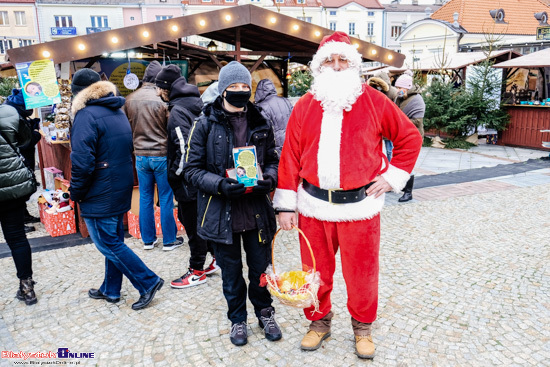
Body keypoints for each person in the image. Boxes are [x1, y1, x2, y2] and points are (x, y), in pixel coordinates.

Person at [273, 32, 422, 359]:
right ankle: (318, 323)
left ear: (353, 64)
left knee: (363, 275)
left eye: (343, 60)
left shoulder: (374, 101)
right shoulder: (305, 105)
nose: (337, 66)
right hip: (312, 208)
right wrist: (286, 206)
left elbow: (409, 138)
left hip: (360, 209)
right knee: (314, 273)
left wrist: (391, 178)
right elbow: (290, 156)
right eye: (330, 60)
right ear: (320, 65)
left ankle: (363, 329)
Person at [182, 61, 282, 346]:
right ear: (222, 89)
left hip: (256, 211)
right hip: (221, 212)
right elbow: (190, 170)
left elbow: (273, 159)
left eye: (244, 87)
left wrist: (270, 180)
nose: (239, 91)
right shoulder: (203, 124)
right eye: (233, 87)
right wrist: (220, 184)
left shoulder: (260, 119)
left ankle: (265, 312)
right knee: (231, 273)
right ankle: (237, 320)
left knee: (260, 269)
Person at [70, 68, 164, 311]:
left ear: (78, 93)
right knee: (112, 239)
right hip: (117, 183)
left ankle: (148, 281)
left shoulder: (85, 115)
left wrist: (76, 193)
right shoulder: (116, 109)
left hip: (100, 189)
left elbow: (81, 162)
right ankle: (111, 289)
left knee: (107, 242)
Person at [155, 67, 219, 289]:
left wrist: (175, 174)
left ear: (166, 89)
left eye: (158, 87)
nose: (156, 92)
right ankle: (217, 260)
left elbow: (185, 149)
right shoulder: (195, 102)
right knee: (201, 223)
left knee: (192, 227)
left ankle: (197, 270)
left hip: (189, 181)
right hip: (202, 176)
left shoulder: (178, 111)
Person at [123, 61, 182, 251]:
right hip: (162, 154)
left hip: (140, 155)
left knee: (145, 197)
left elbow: (126, 129)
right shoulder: (163, 99)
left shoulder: (130, 99)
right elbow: (171, 128)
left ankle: (148, 240)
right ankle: (169, 241)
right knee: (165, 197)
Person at [0, 104, 38, 305]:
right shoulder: (8, 112)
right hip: (11, 185)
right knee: (17, 238)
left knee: (17, 238)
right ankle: (27, 287)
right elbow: (26, 140)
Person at [4, 88, 42, 230]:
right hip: (16, 159)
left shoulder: (10, 111)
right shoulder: (15, 116)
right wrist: (36, 132)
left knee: (18, 189)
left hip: (13, 159)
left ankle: (23, 216)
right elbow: (26, 142)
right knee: (17, 189)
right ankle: (18, 222)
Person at [394, 72, 426, 202]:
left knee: (409, 165)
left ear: (406, 88)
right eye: (396, 88)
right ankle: (402, 186)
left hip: (413, 137)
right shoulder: (399, 98)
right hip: (401, 136)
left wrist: (400, 121)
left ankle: (408, 192)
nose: (397, 91)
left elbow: (417, 121)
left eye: (399, 88)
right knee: (400, 163)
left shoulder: (417, 100)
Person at [253, 78, 293, 155]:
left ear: (259, 92)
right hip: (290, 144)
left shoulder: (261, 107)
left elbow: (262, 129)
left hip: (274, 148)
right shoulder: (286, 101)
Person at [367, 71, 398, 162]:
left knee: (389, 149)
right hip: (375, 124)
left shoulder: (392, 92)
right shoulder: (372, 90)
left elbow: (396, 109)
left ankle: (390, 165)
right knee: (375, 148)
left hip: (388, 123)